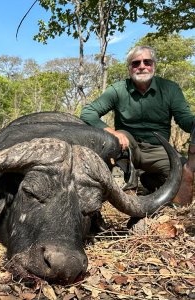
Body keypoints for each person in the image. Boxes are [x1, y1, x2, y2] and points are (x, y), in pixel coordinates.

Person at [80, 45, 195, 204]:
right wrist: (112, 132)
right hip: (127, 147)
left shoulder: (170, 89)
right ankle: (127, 189)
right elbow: (88, 112)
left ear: (153, 65)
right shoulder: (118, 89)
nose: (142, 66)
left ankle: (150, 180)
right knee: (118, 138)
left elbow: (185, 120)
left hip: (158, 149)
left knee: (183, 175)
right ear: (129, 68)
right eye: (136, 63)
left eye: (147, 62)